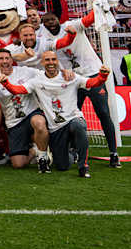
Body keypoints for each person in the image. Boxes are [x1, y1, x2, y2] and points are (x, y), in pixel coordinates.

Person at [0, 51, 110, 178]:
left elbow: (91, 83)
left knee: (79, 126)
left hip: (73, 118)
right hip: (56, 128)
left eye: (53, 59)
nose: (51, 63)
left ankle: (83, 167)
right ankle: (71, 153)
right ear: (42, 63)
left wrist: (102, 76)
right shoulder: (36, 81)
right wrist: (6, 83)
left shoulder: (70, 77)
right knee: (63, 166)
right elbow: (18, 90)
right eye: (47, 60)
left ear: (57, 62)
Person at [44, 9, 122, 168]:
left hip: (92, 73)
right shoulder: (47, 40)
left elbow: (89, 19)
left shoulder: (73, 25)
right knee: (71, 116)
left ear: (58, 19)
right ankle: (73, 149)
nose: (50, 23)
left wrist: (98, 6)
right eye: (46, 21)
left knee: (103, 112)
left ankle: (113, 153)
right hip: (73, 80)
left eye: (52, 19)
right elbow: (58, 47)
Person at [0, 49, 51, 172]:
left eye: (7, 58)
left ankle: (43, 159)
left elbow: (46, 75)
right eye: (1, 59)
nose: (5, 61)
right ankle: (35, 150)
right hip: (14, 122)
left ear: (12, 60)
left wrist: (64, 73)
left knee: (39, 122)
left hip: (31, 113)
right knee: (18, 164)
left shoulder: (25, 71)